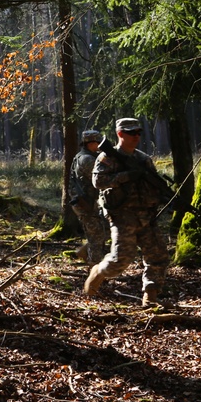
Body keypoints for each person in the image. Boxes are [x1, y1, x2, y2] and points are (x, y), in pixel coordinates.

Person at [84, 118, 171, 307]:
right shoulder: (107, 157)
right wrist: (126, 177)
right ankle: (98, 271)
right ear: (120, 134)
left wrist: (164, 197)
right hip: (122, 216)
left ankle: (150, 297)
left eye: (138, 133)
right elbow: (98, 182)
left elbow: (154, 184)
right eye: (131, 133)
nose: (136, 136)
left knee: (158, 256)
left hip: (147, 215)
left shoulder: (143, 159)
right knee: (120, 260)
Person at [70, 130, 108, 264]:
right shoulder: (87, 159)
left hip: (88, 202)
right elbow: (104, 176)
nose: (100, 145)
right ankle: (96, 270)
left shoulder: (86, 156)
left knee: (103, 232)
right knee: (96, 239)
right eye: (98, 142)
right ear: (90, 143)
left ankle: (83, 252)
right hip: (85, 204)